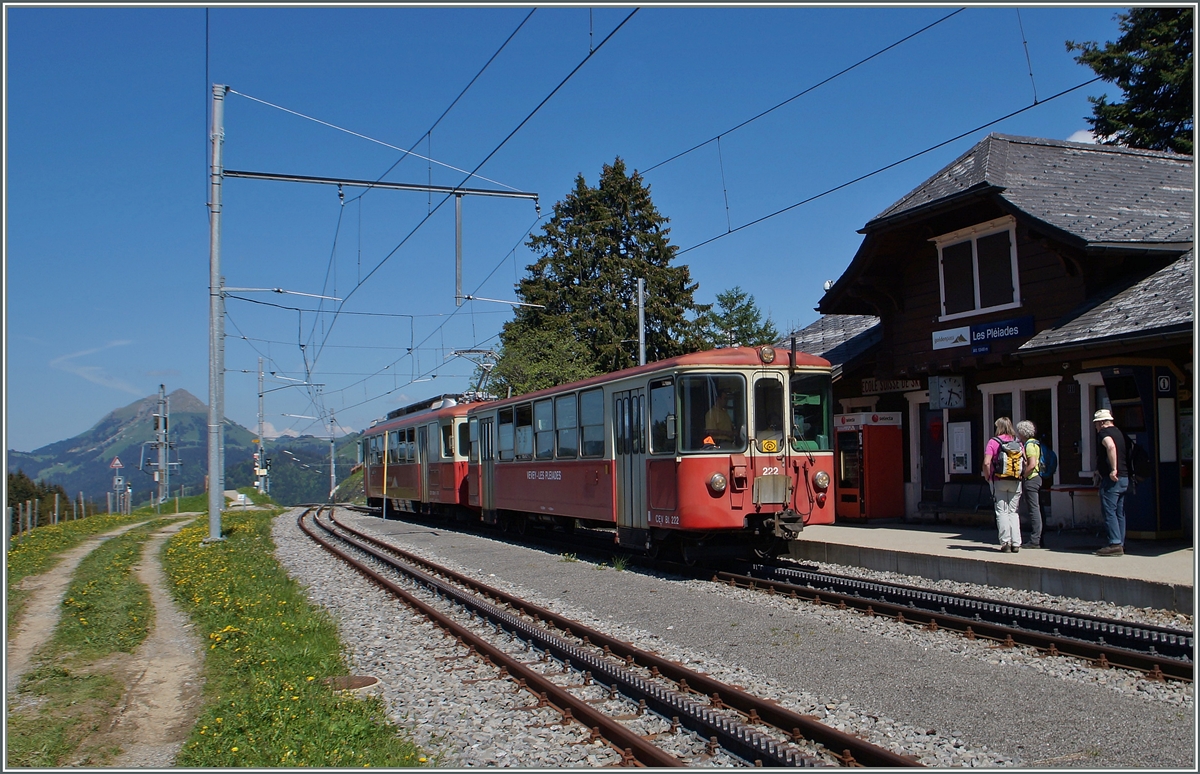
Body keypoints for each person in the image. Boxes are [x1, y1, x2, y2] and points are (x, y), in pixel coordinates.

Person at [982, 417, 1022, 552]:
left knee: (1001, 512)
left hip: (998, 480)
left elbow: (987, 462)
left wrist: (988, 477)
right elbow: (1026, 462)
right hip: (1016, 481)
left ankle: (1006, 543)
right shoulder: (1017, 442)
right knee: (1013, 512)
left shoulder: (993, 442)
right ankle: (1016, 543)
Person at [1092, 409, 1128, 556]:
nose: (1095, 427)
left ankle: (1114, 543)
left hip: (1112, 479)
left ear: (1101, 422)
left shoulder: (1104, 433)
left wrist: (1113, 469)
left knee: (1109, 511)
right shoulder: (1119, 432)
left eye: (1096, 424)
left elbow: (1110, 446)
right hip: (1124, 478)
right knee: (1120, 512)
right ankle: (1120, 541)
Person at [1016, 420, 1043, 549]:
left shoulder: (1029, 445)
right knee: (1036, 509)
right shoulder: (1035, 443)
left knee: (1034, 510)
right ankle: (1038, 538)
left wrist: (1023, 476)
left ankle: (1035, 540)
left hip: (1032, 479)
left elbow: (1032, 464)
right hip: (1036, 478)